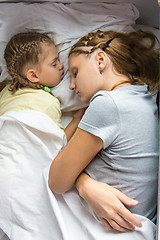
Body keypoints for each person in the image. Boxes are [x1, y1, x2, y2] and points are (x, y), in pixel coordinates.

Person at [0, 31, 142, 237]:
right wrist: (76, 121)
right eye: (54, 62)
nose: (61, 67)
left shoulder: (5, 92)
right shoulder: (48, 101)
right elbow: (59, 144)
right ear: (33, 75)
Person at [48, 29, 159, 233]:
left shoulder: (108, 103)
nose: (71, 86)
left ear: (100, 60)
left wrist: (84, 184)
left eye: (75, 72)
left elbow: (56, 182)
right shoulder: (144, 99)